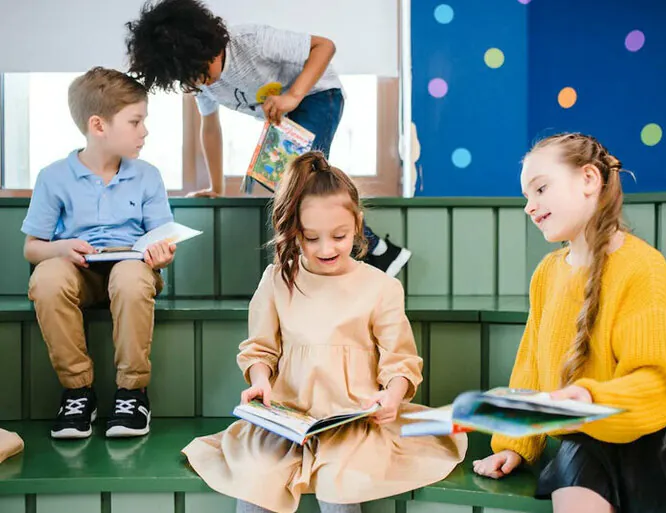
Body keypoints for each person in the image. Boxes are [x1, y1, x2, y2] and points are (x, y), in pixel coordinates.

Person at [181, 151, 467, 513]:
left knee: (341, 493)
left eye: (339, 235)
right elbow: (260, 350)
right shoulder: (276, 281)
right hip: (287, 423)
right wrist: (260, 381)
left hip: (354, 426)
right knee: (255, 487)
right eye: (311, 237)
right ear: (293, 230)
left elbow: (401, 361)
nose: (326, 248)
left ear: (358, 224)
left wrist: (391, 397)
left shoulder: (380, 287)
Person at [472, 133, 666, 513]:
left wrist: (592, 398)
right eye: (527, 197)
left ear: (589, 180)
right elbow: (530, 365)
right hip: (587, 436)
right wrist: (516, 444)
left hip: (661, 433)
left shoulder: (642, 267)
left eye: (541, 189)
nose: (530, 207)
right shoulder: (547, 274)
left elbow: (658, 381)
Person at [124, 0, 412, 277]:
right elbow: (210, 127)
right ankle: (379, 251)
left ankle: (370, 250)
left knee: (302, 180)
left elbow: (324, 46)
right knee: (291, 185)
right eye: (191, 78)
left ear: (207, 44)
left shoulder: (250, 41)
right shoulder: (200, 85)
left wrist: (292, 96)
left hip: (318, 96)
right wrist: (216, 186)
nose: (203, 81)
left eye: (202, 71)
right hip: (287, 119)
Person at [21, 67, 176, 439]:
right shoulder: (53, 177)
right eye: (136, 121)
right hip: (81, 273)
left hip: (133, 271)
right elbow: (32, 248)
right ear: (99, 125)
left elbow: (163, 238)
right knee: (47, 278)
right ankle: (78, 392)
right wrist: (60, 247)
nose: (145, 131)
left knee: (128, 275)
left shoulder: (148, 175)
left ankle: (132, 392)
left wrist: (163, 255)